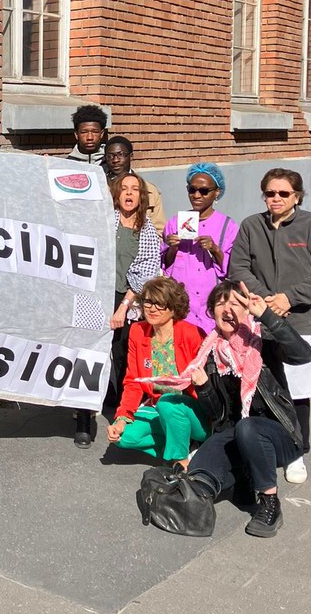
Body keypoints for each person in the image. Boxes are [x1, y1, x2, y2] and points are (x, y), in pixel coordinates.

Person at [183, 280, 311, 537]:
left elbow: (304, 354)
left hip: (281, 437)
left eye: (234, 303)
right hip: (237, 434)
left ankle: (269, 503)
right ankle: (198, 498)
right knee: (201, 463)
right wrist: (204, 388)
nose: (227, 309)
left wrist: (266, 315)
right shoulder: (212, 352)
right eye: (220, 304)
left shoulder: (263, 340)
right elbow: (218, 415)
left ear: (246, 311)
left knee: (248, 428)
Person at [228, 167, 311, 470]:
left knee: (298, 392)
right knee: (264, 388)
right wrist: (267, 301)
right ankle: (266, 445)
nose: (276, 198)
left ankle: (297, 450)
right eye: (270, 193)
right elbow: (239, 268)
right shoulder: (251, 226)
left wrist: (290, 297)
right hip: (260, 321)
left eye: (283, 193)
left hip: (301, 322)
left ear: (296, 196)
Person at [75, 173, 161, 447]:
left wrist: (123, 306)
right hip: (96, 295)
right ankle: (83, 419)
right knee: (88, 353)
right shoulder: (103, 221)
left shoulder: (146, 231)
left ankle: (122, 415)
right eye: (124, 188)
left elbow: (146, 272)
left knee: (124, 358)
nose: (129, 193)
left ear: (141, 197)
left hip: (128, 301)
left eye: (135, 189)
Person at [106, 276, 205, 463]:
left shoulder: (191, 333)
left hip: (191, 410)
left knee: (168, 402)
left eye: (160, 304)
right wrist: (122, 417)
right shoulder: (138, 331)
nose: (152, 308)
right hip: (156, 406)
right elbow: (133, 382)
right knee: (123, 437)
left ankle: (179, 460)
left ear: (174, 307)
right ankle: (185, 446)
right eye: (148, 302)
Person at [162, 163, 238, 333]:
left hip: (210, 307)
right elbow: (165, 267)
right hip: (181, 308)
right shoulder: (175, 223)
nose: (197, 195)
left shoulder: (228, 226)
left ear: (216, 192)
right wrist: (172, 248)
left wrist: (215, 249)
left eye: (204, 191)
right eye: (192, 189)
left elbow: (233, 269)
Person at [103, 135, 166, 235]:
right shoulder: (100, 189)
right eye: (110, 156)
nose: (115, 160)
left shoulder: (149, 190)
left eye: (121, 155)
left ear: (131, 156)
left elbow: (159, 231)